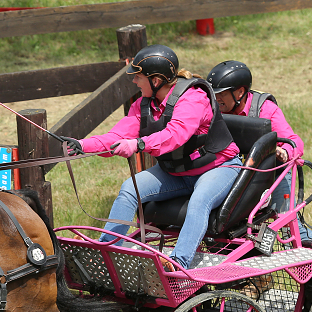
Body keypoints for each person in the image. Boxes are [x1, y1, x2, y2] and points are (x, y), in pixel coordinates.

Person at [66, 45, 242, 271]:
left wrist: (139, 144)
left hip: (219, 167)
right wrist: (82, 145)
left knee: (199, 202)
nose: (134, 82)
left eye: (138, 77)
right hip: (177, 172)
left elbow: (176, 135)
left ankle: (178, 264)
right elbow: (117, 137)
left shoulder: (193, 97)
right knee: (130, 189)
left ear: (156, 80)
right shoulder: (143, 105)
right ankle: (106, 254)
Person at [206, 60, 312, 240]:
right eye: (213, 94)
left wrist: (285, 151)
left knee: (289, 223)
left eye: (221, 94)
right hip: (233, 174)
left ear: (240, 92)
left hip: (268, 174)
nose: (216, 99)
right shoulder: (214, 109)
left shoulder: (265, 109)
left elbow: (294, 141)